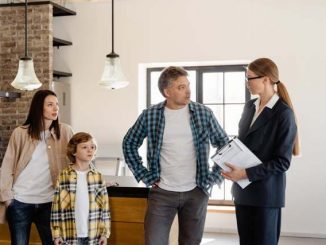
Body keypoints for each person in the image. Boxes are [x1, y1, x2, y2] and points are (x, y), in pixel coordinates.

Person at [123, 66, 229, 245]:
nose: (188, 91)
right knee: (154, 241)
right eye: (181, 87)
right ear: (167, 92)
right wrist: (144, 175)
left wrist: (215, 175)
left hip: (197, 191)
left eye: (188, 85)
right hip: (162, 192)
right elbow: (129, 143)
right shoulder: (150, 115)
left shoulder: (204, 113)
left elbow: (224, 144)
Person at [222, 58, 299, 245]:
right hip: (243, 192)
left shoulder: (283, 113)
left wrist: (246, 173)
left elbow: (282, 162)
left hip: (266, 195)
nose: (247, 83)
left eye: (249, 78)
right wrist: (225, 161)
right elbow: (243, 143)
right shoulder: (249, 107)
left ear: (266, 79)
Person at [0, 89, 73, 245]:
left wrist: (95, 178)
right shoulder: (20, 133)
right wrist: (8, 198)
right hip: (20, 202)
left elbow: (78, 159)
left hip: (50, 202)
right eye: (50, 105)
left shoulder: (65, 131)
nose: (56, 108)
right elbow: (7, 166)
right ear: (39, 107)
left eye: (57, 105)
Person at [51, 132, 110, 245]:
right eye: (84, 147)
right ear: (74, 151)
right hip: (69, 236)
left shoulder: (98, 177)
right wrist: (56, 234)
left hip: (93, 236)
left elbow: (105, 209)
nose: (90, 150)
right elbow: (56, 208)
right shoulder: (63, 176)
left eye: (92, 147)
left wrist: (104, 233)